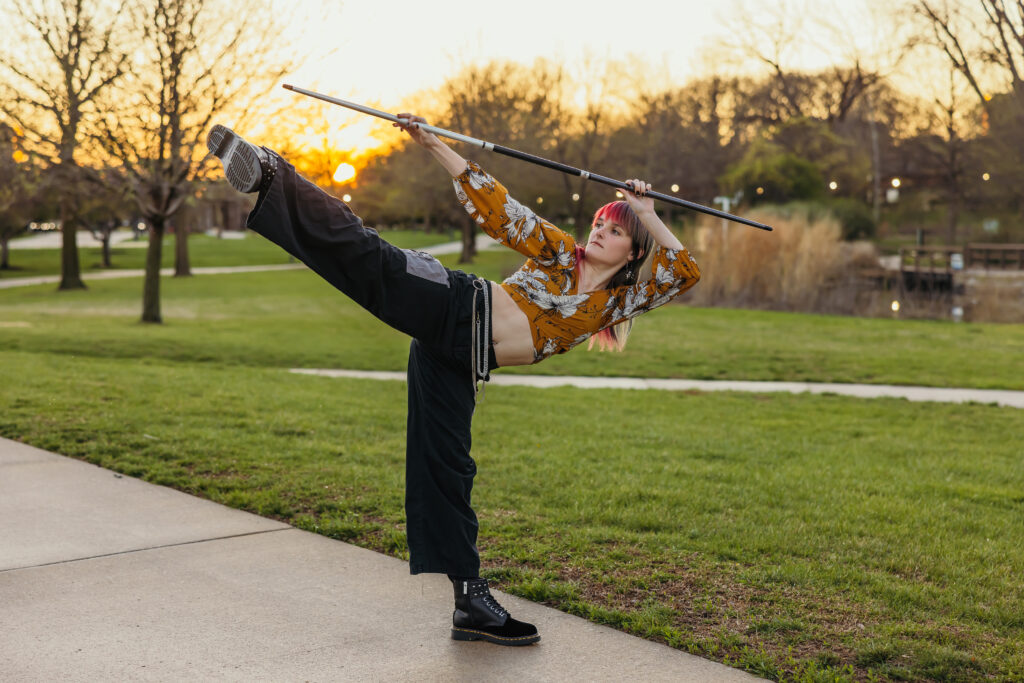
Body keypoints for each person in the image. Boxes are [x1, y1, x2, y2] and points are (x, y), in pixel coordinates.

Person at [207, 116, 700, 647]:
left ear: (634, 252)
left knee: (449, 471)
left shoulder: (614, 304)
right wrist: (434, 143)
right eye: (600, 223)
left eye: (616, 229)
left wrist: (647, 212)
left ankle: (471, 602)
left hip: (456, 362)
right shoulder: (559, 253)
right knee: (368, 258)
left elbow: (684, 272)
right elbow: (499, 209)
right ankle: (270, 172)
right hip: (454, 302)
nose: (599, 231)